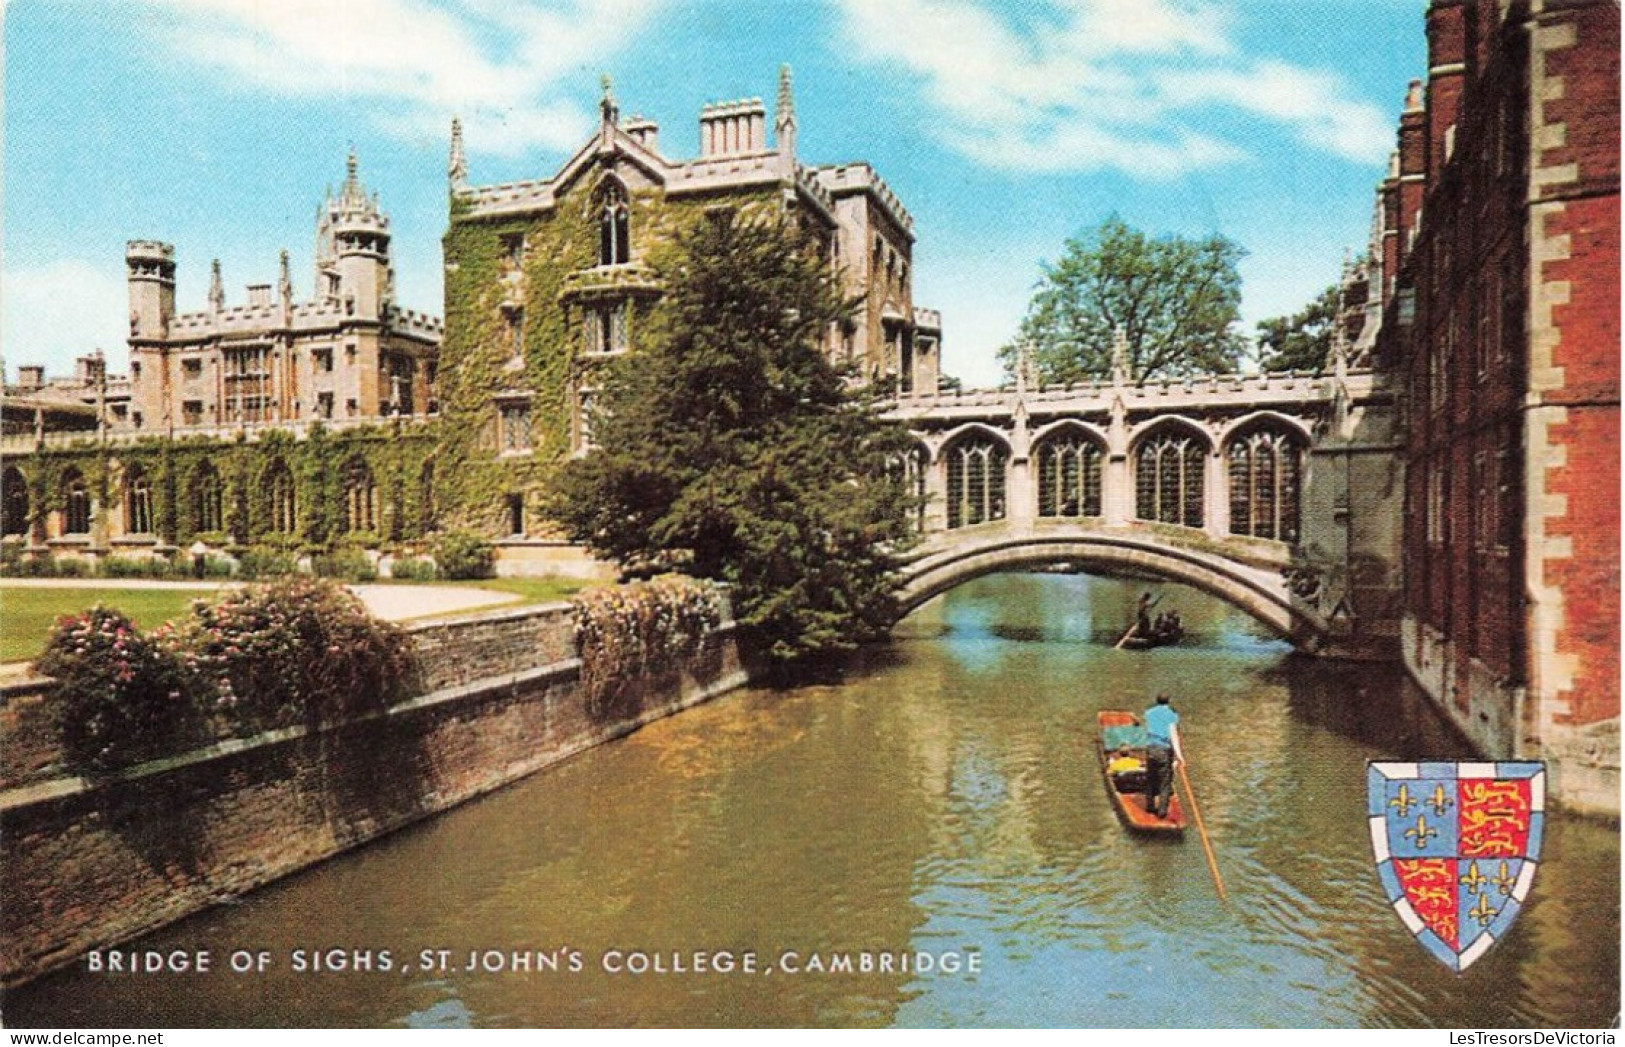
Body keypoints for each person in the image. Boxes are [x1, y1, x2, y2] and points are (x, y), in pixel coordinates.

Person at [1142, 694, 1180, 817]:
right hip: (1164, 750)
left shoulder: (1149, 713)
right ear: (1169, 701)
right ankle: (1162, 811)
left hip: (1151, 749)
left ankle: (1150, 806)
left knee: (1151, 778)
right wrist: (1179, 756)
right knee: (1165, 781)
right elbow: (1173, 735)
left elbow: (1149, 728)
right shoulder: (1171, 715)